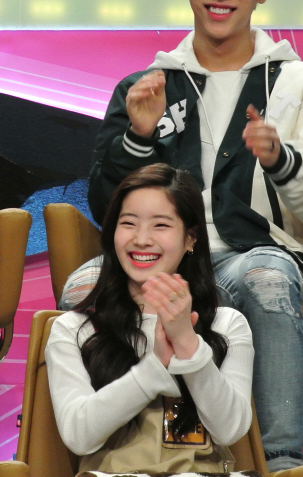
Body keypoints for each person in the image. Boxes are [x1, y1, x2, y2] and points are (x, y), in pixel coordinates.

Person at [60, 0, 303, 471]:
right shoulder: (144, 86)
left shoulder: (300, 85)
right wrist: (138, 136)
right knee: (82, 284)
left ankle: (280, 462)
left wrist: (281, 161)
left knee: (266, 279)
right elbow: (107, 207)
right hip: (158, 258)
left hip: (253, 255)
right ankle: (119, 457)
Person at [46, 163, 254, 474]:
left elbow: (230, 430)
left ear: (191, 238)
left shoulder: (227, 325)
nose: (141, 239)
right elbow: (79, 435)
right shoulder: (75, 329)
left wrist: (187, 344)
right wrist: (154, 367)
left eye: (160, 225)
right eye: (128, 223)